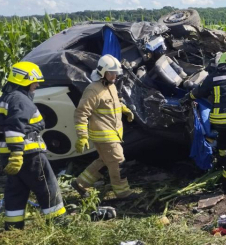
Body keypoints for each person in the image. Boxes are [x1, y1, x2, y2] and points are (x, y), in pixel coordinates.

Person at [0, 61, 66, 230]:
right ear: (25, 81)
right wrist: (17, 153)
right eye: (34, 81)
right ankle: (58, 223)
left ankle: (13, 228)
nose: (36, 85)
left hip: (10, 157)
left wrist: (13, 156)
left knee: (16, 192)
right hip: (29, 154)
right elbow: (15, 127)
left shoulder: (6, 98)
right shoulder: (20, 100)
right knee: (47, 187)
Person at [180, 51, 226, 194]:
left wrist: (187, 97)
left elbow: (197, 92)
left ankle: (221, 166)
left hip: (219, 120)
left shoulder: (213, 77)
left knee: (223, 145)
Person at [72, 54, 135, 199]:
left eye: (116, 73)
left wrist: (124, 109)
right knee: (118, 163)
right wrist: (82, 136)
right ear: (102, 72)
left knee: (105, 160)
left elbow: (113, 102)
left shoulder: (111, 86)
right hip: (104, 136)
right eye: (111, 73)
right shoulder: (93, 90)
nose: (114, 76)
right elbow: (81, 113)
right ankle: (123, 193)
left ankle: (80, 183)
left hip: (114, 134)